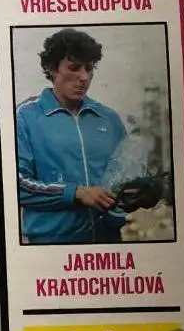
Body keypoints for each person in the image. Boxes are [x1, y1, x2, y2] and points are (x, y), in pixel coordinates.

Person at [16, 28, 128, 244]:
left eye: (89, 68)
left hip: (110, 242)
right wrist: (76, 193)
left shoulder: (108, 118)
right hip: (52, 244)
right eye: (74, 68)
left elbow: (125, 176)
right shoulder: (25, 118)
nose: (84, 77)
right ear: (51, 68)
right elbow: (16, 185)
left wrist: (143, 191)